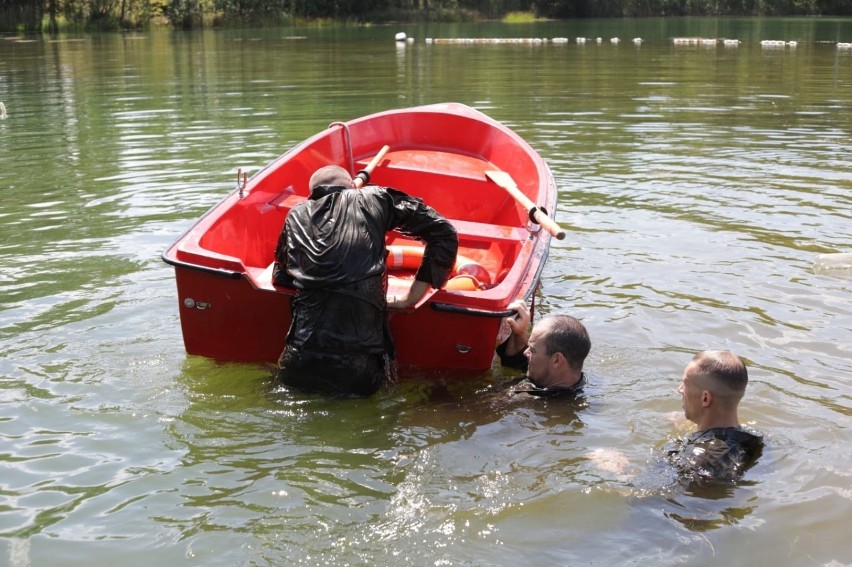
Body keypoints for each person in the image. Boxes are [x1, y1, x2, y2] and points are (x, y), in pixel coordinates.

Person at [272, 164, 458, 397]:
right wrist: (411, 297)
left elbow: (281, 277)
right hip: (358, 371)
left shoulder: (296, 215)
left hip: (298, 362)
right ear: (352, 186)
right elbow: (444, 233)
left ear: (312, 195)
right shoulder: (376, 197)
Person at [665, 350, 763, 483]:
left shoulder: (696, 462)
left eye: (685, 384)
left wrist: (626, 470)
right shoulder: (755, 442)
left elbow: (646, 501)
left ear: (705, 398)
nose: (680, 389)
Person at [494, 301, 591, 398]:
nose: (525, 352)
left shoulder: (538, 405)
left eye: (532, 350)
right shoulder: (569, 378)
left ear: (556, 360)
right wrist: (519, 336)